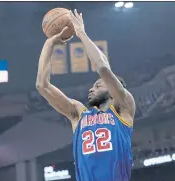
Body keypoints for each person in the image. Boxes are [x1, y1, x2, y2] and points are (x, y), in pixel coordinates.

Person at [36, 9, 136, 181]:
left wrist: (80, 32)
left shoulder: (123, 109)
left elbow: (103, 68)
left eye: (97, 85)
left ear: (113, 90)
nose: (91, 89)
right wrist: (49, 44)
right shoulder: (78, 114)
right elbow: (42, 85)